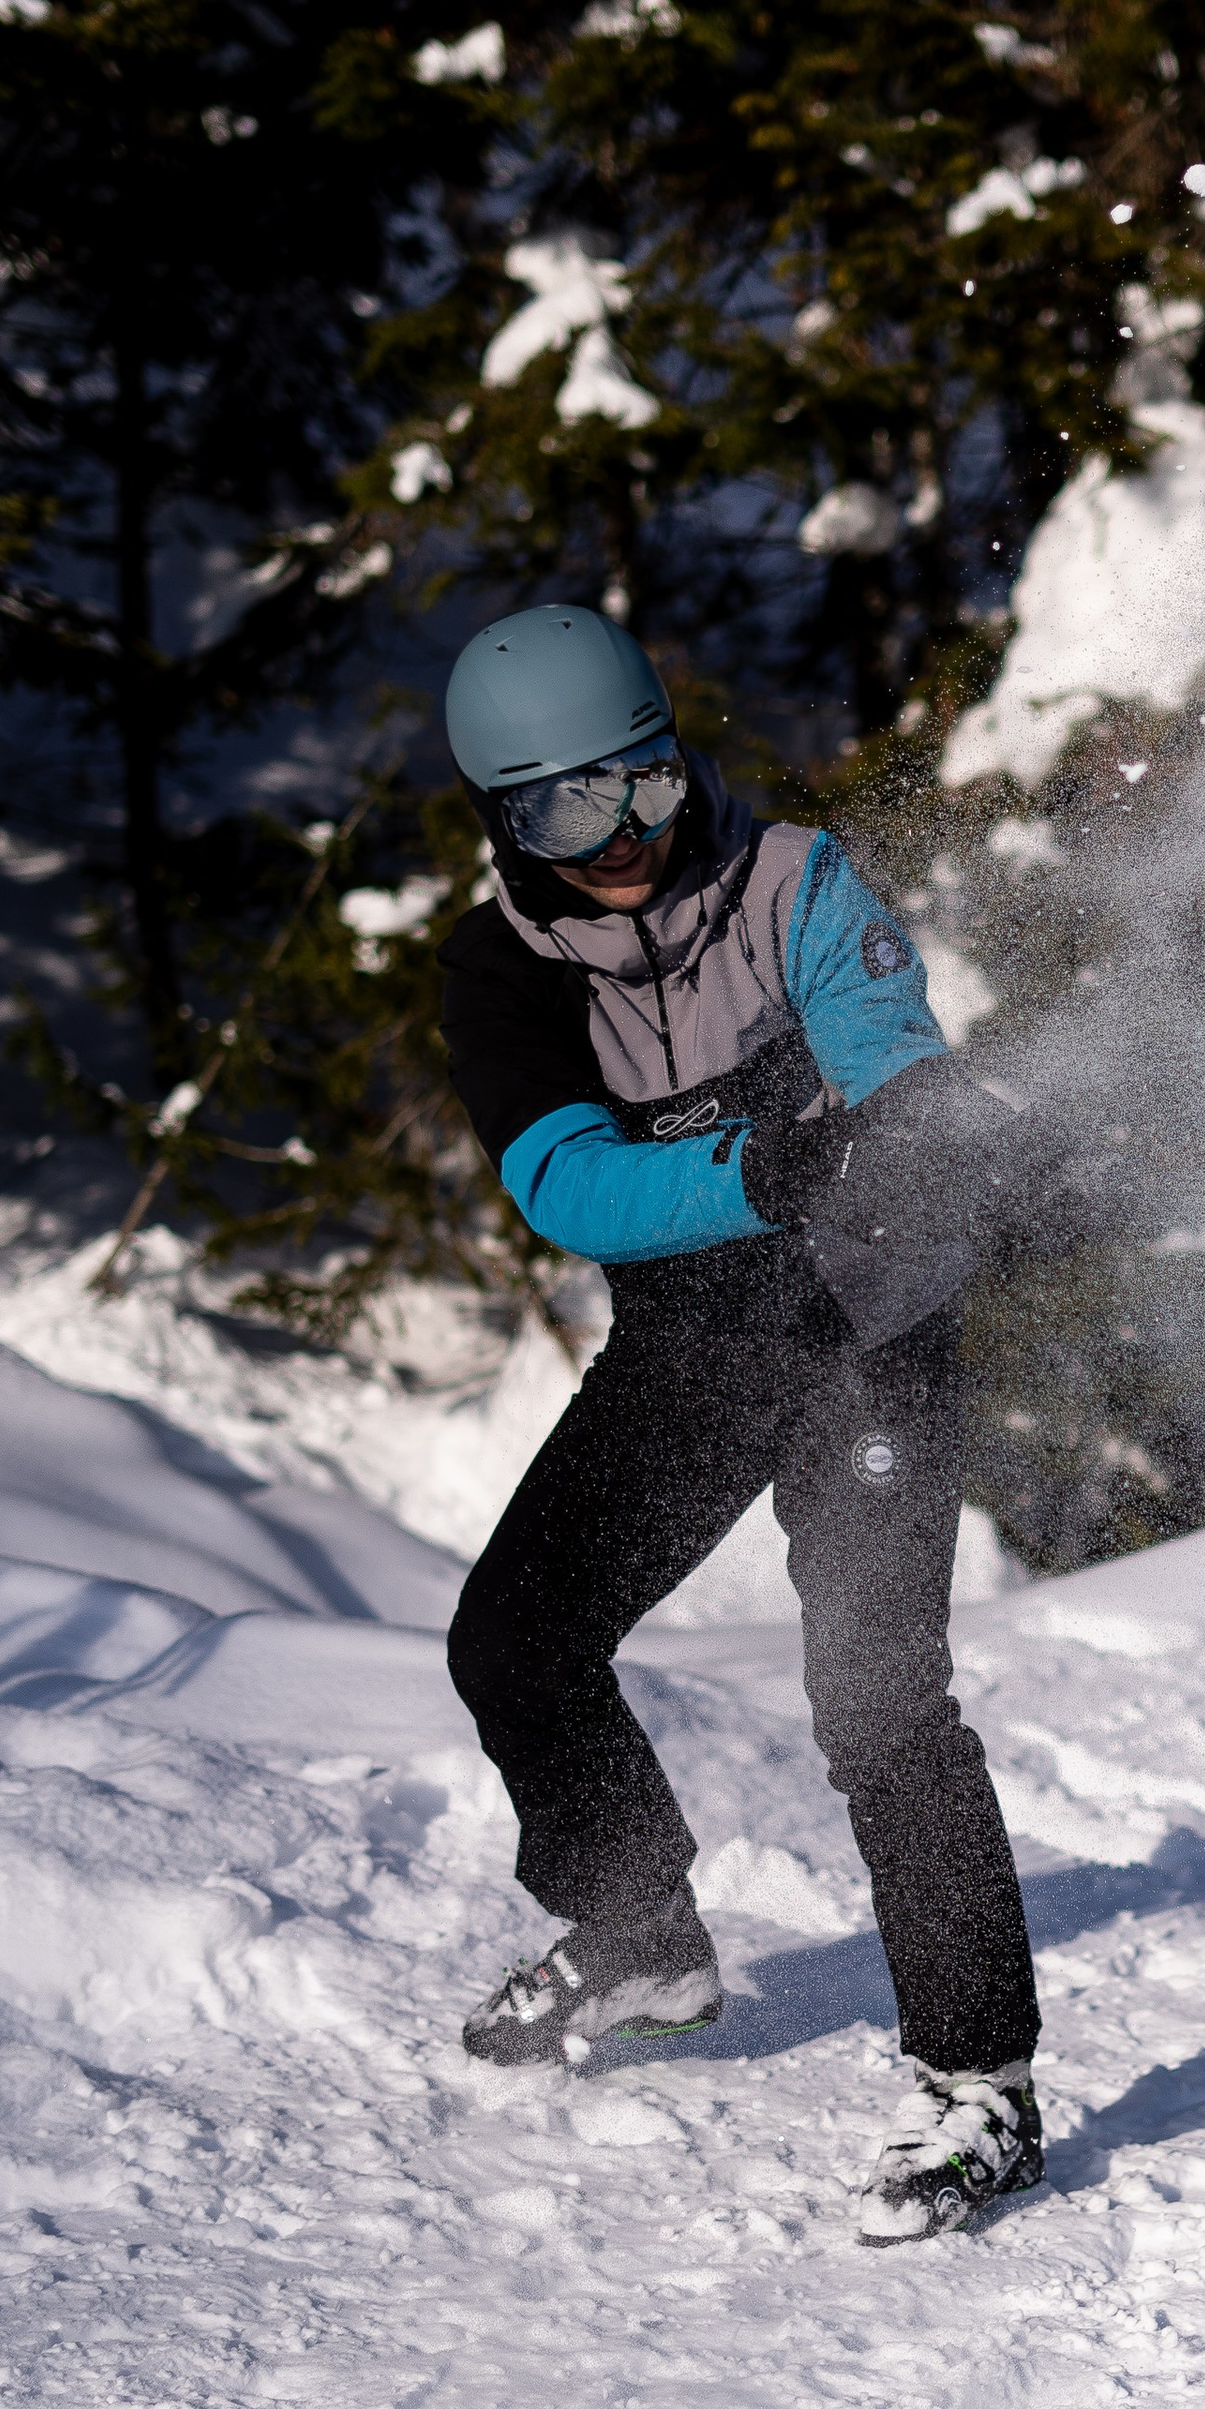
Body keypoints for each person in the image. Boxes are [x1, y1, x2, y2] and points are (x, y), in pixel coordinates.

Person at [434, 601, 1043, 2244]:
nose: (623, 837)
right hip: (701, 1343)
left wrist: (920, 1130)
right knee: (518, 1640)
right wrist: (753, 1172)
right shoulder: (500, 966)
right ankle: (633, 1925)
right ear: (506, 818)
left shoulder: (794, 884)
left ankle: (980, 2080)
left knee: (878, 1698)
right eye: (568, 811)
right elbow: (566, 1177)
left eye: (639, 785)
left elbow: (890, 1059)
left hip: (871, 1332)